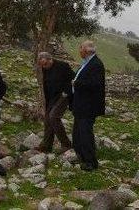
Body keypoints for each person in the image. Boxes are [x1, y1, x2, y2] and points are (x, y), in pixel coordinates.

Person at [71, 40, 106, 171]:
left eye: (80, 48)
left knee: (85, 134)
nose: (79, 51)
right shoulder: (86, 63)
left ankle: (90, 162)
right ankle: (81, 157)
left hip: (88, 106)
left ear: (85, 50)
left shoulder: (96, 64)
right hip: (80, 105)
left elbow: (95, 84)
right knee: (77, 134)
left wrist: (76, 84)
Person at [36, 52, 74, 153]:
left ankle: (66, 144)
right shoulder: (45, 69)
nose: (44, 67)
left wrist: (67, 92)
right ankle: (46, 146)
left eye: (45, 64)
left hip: (63, 95)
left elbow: (74, 79)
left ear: (50, 59)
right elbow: (46, 85)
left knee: (54, 116)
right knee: (47, 118)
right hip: (52, 97)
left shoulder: (63, 66)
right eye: (42, 65)